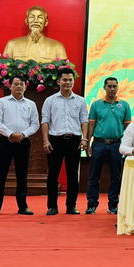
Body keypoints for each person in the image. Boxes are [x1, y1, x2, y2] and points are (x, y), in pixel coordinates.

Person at [0, 75, 39, 216]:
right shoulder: (1, 102)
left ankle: (23, 206)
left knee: (22, 175)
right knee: (1, 174)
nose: (19, 86)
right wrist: (11, 134)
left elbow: (35, 124)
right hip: (5, 141)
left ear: (25, 86)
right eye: (15, 84)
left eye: (21, 84)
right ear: (9, 86)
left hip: (23, 142)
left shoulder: (31, 104)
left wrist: (22, 135)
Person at [41, 68, 89, 216]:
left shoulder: (80, 101)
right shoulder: (50, 100)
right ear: (58, 81)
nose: (67, 82)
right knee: (53, 175)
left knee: (73, 175)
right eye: (64, 80)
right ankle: (52, 206)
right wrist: (45, 141)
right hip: (55, 140)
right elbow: (45, 121)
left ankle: (71, 206)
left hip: (74, 140)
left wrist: (84, 138)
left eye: (70, 80)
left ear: (73, 81)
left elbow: (84, 121)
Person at [85, 77, 132, 215]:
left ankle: (113, 205)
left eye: (114, 86)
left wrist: (128, 146)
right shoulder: (96, 104)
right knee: (94, 176)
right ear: (104, 88)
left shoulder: (124, 105)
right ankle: (92, 204)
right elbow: (91, 125)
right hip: (98, 144)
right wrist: (87, 143)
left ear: (118, 88)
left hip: (116, 145)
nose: (112, 89)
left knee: (116, 177)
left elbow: (128, 127)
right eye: (109, 86)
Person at [3, 5, 67, 62]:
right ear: (26, 21)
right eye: (32, 17)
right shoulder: (12, 45)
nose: (35, 20)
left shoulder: (58, 47)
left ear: (46, 22)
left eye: (40, 17)